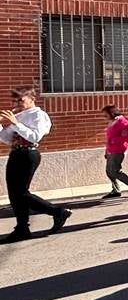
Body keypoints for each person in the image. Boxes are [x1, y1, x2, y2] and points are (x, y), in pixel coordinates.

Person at [0, 87, 70, 243]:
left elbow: (35, 137)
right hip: (16, 153)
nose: (18, 103)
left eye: (21, 100)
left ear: (32, 99)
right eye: (16, 100)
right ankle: (22, 228)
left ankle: (58, 212)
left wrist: (16, 124)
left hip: (29, 153)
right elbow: (6, 139)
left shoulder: (39, 115)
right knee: (14, 194)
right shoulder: (17, 116)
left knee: (22, 192)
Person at [101, 105, 128, 199]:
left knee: (115, 170)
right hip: (111, 150)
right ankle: (116, 190)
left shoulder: (122, 121)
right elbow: (109, 138)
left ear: (112, 113)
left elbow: (126, 135)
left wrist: (114, 141)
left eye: (106, 115)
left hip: (119, 149)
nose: (104, 117)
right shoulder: (112, 122)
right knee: (109, 171)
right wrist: (107, 150)